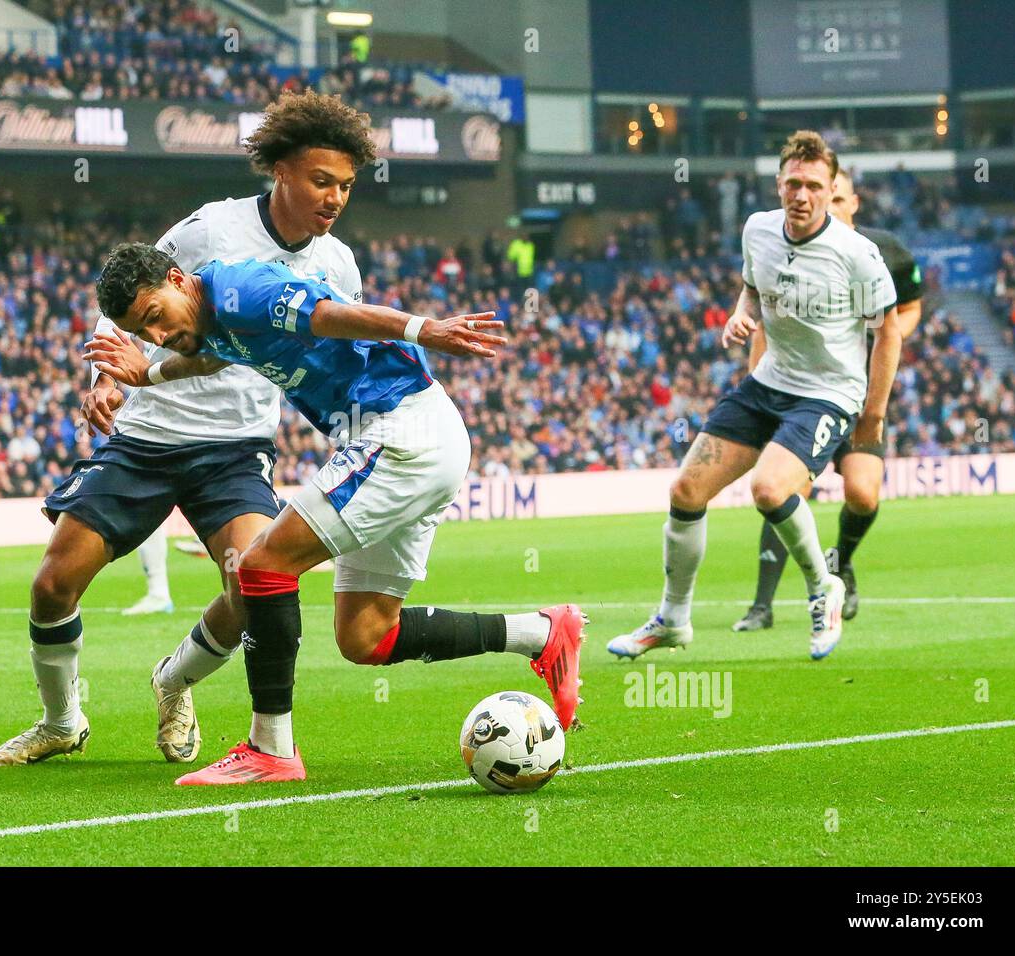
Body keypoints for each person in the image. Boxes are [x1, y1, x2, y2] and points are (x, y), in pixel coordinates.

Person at [85, 245, 587, 785]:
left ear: (179, 280)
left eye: (156, 318)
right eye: (144, 332)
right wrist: (150, 376)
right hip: (416, 435)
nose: (157, 338)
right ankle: (541, 633)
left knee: (261, 567)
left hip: (401, 431)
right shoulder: (207, 316)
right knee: (367, 636)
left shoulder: (243, 290)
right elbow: (220, 354)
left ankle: (270, 750)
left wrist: (424, 329)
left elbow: (330, 314)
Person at [0, 91, 374, 768]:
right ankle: (61, 721)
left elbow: (341, 354)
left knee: (253, 588)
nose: (334, 198)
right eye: (320, 181)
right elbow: (126, 295)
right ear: (280, 171)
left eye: (344, 185)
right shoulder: (210, 230)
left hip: (235, 447)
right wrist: (107, 378)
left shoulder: (337, 265)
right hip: (147, 436)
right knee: (53, 583)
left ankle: (174, 681)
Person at [608, 130, 901, 662]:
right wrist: (743, 312)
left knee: (770, 489)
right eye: (794, 183)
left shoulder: (855, 254)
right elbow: (753, 285)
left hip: (828, 393)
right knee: (686, 491)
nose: (802, 195)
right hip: (768, 382)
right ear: (779, 184)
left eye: (814, 185)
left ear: (831, 188)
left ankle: (823, 587)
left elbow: (889, 331)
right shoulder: (758, 231)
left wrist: (874, 413)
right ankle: (673, 619)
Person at [733, 167, 923, 631]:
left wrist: (883, 337)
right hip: (800, 394)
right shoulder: (789, 250)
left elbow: (909, 308)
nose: (825, 207)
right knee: (782, 489)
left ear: (852, 203)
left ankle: (843, 564)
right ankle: (762, 603)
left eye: (835, 200)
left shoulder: (879, 252)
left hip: (856, 394)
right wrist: (758, 386)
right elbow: (768, 323)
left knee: (862, 493)